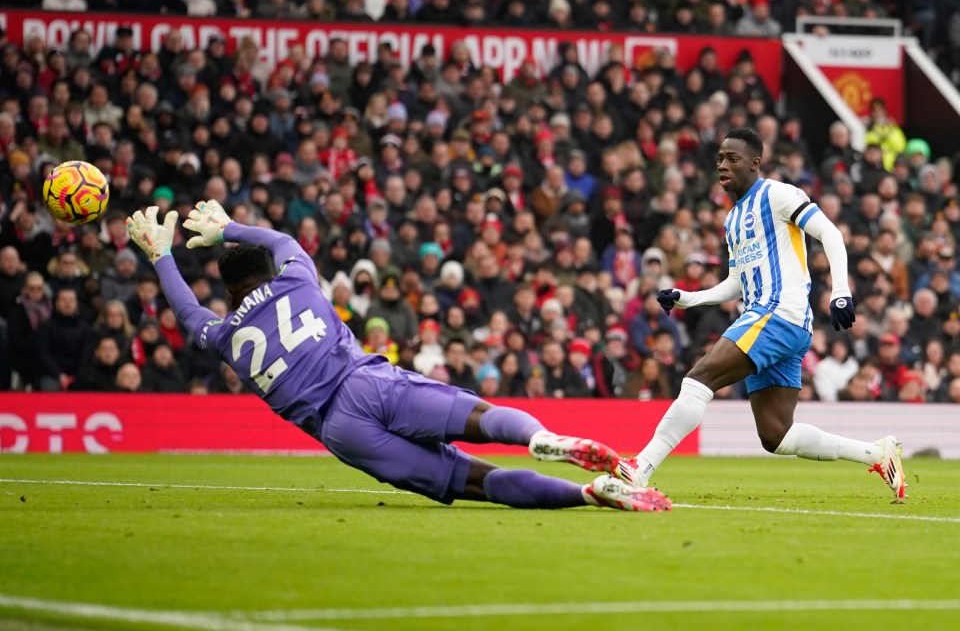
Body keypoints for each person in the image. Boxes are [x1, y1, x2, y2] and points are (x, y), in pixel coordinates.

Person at [125, 202, 671, 513]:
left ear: (230, 293)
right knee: (479, 418)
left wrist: (160, 256)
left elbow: (187, 313)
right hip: (365, 381)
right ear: (267, 271)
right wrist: (228, 229)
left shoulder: (224, 334)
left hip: (341, 430)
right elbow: (286, 238)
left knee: (472, 481)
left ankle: (589, 494)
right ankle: (539, 438)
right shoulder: (296, 278)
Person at [614, 128, 906, 501]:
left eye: (732, 158)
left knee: (699, 379)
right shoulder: (733, 220)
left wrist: (841, 291)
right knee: (776, 436)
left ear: (755, 163)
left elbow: (830, 234)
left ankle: (641, 466)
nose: (723, 165)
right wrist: (688, 299)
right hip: (780, 323)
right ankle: (877, 453)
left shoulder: (778, 194)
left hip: (777, 313)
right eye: (720, 158)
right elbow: (735, 282)